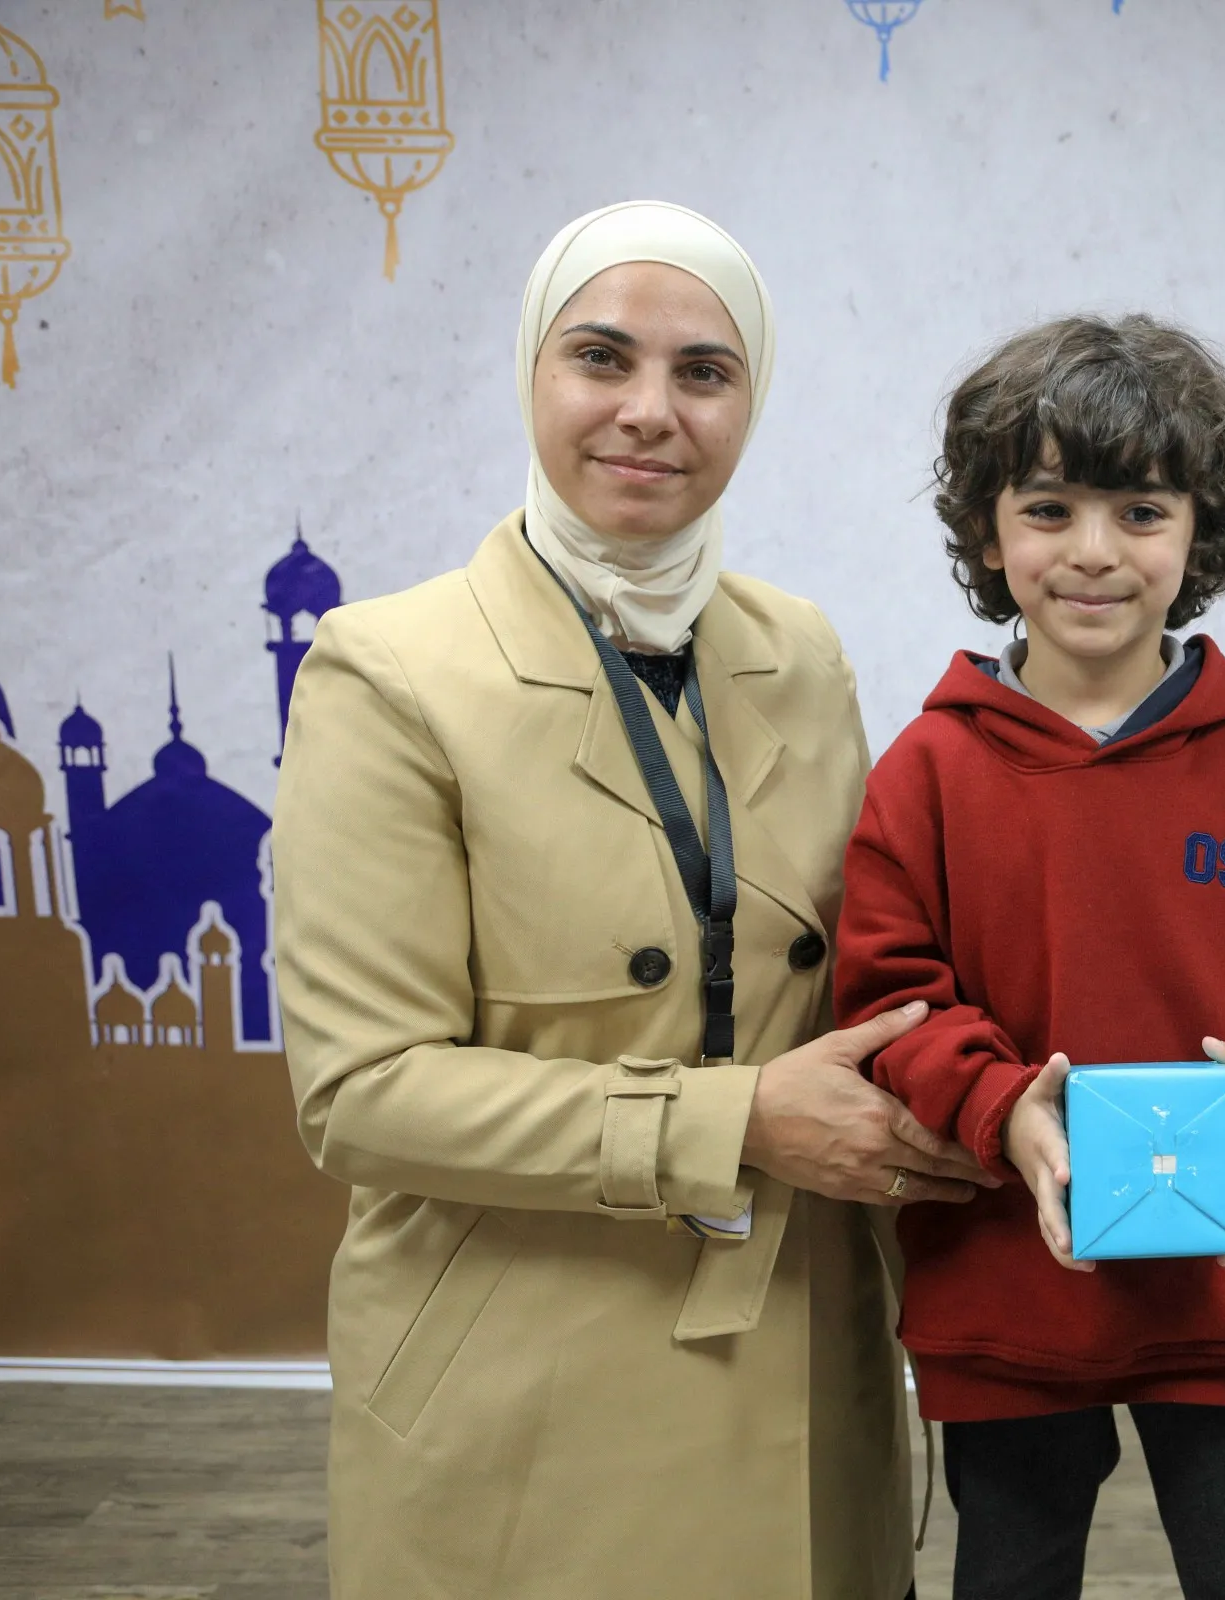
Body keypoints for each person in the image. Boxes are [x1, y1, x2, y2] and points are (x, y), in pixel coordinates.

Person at [271, 200, 994, 1600]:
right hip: (526, 1385)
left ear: (751, 402)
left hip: (798, 1357)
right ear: (531, 373)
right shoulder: (389, 672)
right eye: (600, 357)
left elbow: (869, 971)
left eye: (703, 372)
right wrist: (736, 1122)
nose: (650, 411)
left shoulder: (800, 652)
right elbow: (361, 1093)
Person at [833, 314, 1225, 1600]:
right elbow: (892, 994)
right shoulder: (925, 773)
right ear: (988, 533)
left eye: (1140, 511)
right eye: (1049, 509)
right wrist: (1002, 1108)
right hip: (1007, 1285)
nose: (1093, 551)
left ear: (1200, 535)